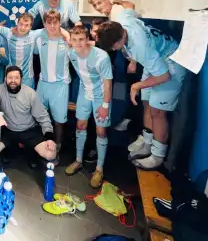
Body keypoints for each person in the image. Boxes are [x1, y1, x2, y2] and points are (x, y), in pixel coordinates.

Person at [97, 19, 186, 170]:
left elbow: (164, 76)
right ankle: (147, 142)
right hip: (154, 58)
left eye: (114, 45)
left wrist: (136, 85)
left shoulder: (140, 47)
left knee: (158, 111)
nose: (114, 49)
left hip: (170, 61)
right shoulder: (125, 19)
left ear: (122, 36)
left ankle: (157, 156)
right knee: (146, 102)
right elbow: (128, 9)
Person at [65, 26, 113, 188]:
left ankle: (99, 169)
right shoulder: (71, 53)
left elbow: (108, 83)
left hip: (101, 96)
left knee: (101, 131)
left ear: (87, 39)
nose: (78, 43)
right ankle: (78, 160)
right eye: (74, 39)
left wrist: (105, 105)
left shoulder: (102, 57)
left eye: (81, 39)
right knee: (80, 125)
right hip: (84, 93)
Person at [0, 12, 69, 89]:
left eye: (26, 25)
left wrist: (67, 36)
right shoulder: (8, 33)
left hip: (27, 78)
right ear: (17, 23)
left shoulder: (33, 35)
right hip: (10, 76)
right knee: (9, 104)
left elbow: (52, 28)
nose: (23, 28)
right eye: (21, 24)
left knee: (27, 104)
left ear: (31, 27)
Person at [0, 66, 57, 163]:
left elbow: (43, 117)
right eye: (10, 77)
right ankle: (13, 148)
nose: (13, 80)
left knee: (50, 154)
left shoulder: (30, 93)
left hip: (28, 130)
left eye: (16, 78)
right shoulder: (0, 89)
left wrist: (49, 138)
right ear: (5, 79)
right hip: (7, 129)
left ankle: (28, 150)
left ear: (21, 79)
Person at [34, 10, 70, 150]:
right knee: (38, 116)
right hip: (43, 83)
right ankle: (40, 146)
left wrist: (67, 35)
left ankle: (57, 148)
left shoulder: (67, 40)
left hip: (60, 85)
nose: (52, 26)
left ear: (60, 23)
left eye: (55, 22)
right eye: (49, 22)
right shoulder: (39, 38)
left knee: (59, 120)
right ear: (44, 24)